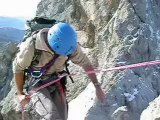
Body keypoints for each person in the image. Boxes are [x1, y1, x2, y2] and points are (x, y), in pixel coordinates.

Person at [13, 22, 105, 120]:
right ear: (55, 46)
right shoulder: (32, 46)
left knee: (62, 116)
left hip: (56, 79)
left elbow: (85, 63)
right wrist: (20, 93)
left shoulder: (69, 45)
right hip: (36, 82)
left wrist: (97, 86)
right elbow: (18, 68)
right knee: (52, 116)